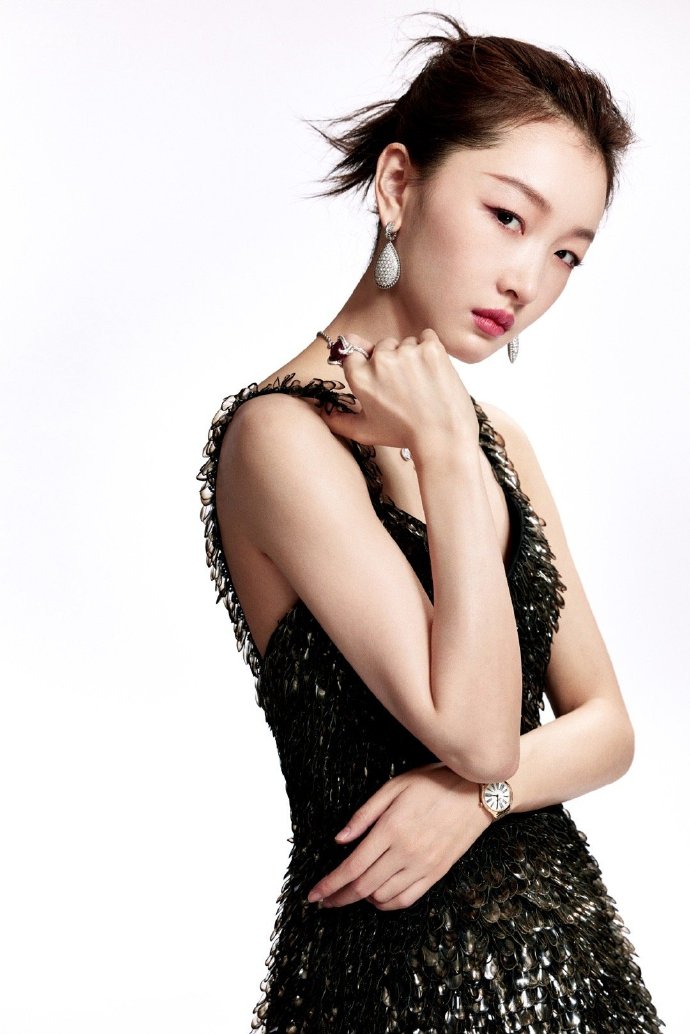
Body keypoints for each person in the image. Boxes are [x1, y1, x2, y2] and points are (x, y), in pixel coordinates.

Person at [197, 14, 665, 1032]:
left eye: (568, 254)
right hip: (387, 982)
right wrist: (447, 449)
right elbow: (480, 732)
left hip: (572, 974)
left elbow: (607, 726)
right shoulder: (283, 437)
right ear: (400, 185)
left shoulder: (501, 443)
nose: (528, 280)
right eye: (507, 216)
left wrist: (474, 801)